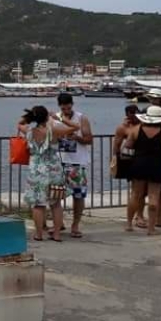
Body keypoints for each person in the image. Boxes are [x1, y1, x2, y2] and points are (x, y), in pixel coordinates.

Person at [18, 106, 79, 242]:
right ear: (46, 117)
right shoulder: (54, 131)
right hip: (53, 170)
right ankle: (56, 234)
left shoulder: (29, 131)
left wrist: (29, 117)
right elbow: (76, 127)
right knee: (55, 204)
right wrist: (60, 118)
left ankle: (39, 234)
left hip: (36, 171)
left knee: (38, 204)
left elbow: (19, 123)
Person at [125, 106, 161, 235]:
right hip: (157, 166)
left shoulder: (136, 129)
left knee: (135, 195)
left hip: (139, 164)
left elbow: (128, 145)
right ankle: (151, 228)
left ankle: (129, 224)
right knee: (154, 197)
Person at [54, 93, 93, 238]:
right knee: (55, 195)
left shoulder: (81, 118)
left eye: (68, 108)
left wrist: (77, 137)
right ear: (59, 106)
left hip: (77, 163)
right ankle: (59, 223)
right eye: (63, 108)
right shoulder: (55, 118)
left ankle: (75, 224)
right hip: (59, 162)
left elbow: (89, 139)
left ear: (72, 104)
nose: (66, 110)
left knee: (78, 195)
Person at [112, 104, 140, 183]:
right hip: (129, 156)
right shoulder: (123, 127)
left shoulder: (143, 125)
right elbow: (117, 144)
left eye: (136, 113)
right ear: (127, 114)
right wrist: (115, 159)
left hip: (141, 155)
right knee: (134, 180)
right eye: (132, 113)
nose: (135, 115)